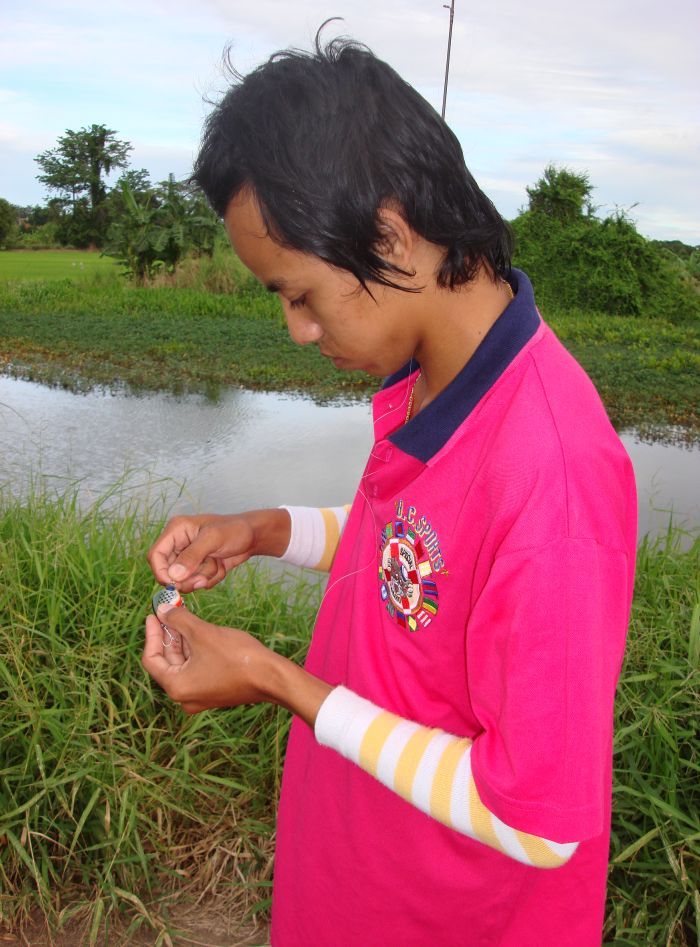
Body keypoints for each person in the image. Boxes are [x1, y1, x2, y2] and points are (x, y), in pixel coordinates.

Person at [142, 32, 637, 947]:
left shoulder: (555, 473)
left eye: (299, 294)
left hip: (449, 915)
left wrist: (276, 680)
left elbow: (538, 819)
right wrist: (262, 530)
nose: (295, 329)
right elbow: (426, 549)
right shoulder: (437, 376)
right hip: (357, 878)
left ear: (391, 235)